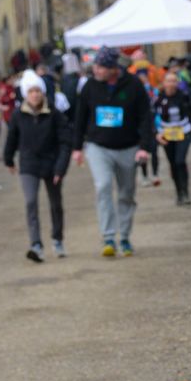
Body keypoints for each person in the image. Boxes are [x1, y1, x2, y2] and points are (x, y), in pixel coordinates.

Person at [71, 45, 154, 258]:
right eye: (95, 66)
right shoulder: (90, 86)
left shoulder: (134, 85)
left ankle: (124, 237)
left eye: (100, 67)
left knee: (127, 193)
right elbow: (80, 117)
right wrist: (77, 147)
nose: (96, 70)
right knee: (103, 186)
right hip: (98, 147)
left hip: (128, 147)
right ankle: (108, 237)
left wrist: (145, 147)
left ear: (113, 68)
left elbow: (145, 117)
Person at [3, 69, 72, 261]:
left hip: (52, 164)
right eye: (31, 91)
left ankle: (57, 239)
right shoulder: (18, 115)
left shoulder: (54, 114)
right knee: (30, 201)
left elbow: (65, 142)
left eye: (37, 91)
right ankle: (36, 244)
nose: (35, 95)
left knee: (55, 203)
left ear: (43, 92)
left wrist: (60, 168)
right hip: (29, 164)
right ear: (26, 94)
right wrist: (8, 159)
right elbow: (11, 139)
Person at [155, 68, 191, 205]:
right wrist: (156, 133)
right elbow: (152, 116)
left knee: (180, 161)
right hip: (166, 133)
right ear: (164, 83)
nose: (171, 84)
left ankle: (186, 192)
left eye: (174, 81)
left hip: (183, 131)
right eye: (169, 81)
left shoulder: (183, 96)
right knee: (173, 164)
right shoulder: (158, 98)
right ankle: (179, 192)